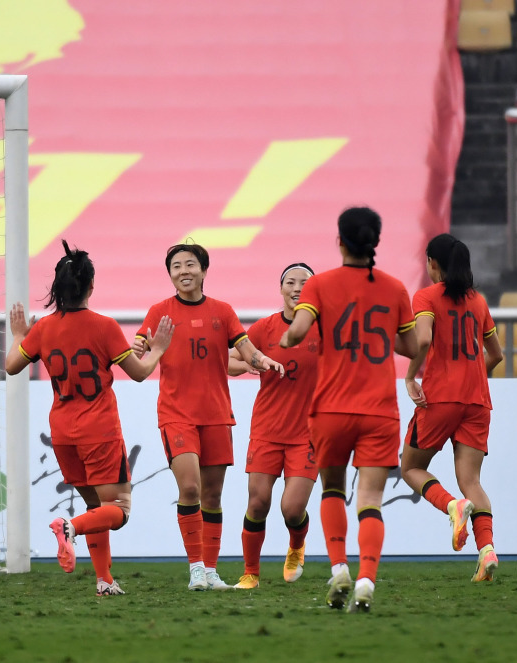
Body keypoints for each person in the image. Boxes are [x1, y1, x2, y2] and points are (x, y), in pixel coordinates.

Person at [5, 240, 174, 596]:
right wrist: (158, 348)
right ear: (91, 286)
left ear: (58, 287)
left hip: (62, 433)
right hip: (99, 430)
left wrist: (20, 335)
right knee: (119, 509)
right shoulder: (104, 326)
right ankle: (69, 528)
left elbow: (11, 366)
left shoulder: (43, 329)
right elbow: (140, 373)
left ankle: (104, 580)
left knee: (95, 506)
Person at [281, 207, 417, 613]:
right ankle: (366, 580)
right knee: (370, 499)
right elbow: (413, 346)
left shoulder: (319, 285)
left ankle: (339, 567)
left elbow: (298, 330)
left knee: (333, 490)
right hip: (379, 410)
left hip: (331, 410)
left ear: (339, 241)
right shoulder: (395, 289)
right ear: (375, 242)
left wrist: (288, 339)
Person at [132, 242, 283, 591]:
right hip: (176, 414)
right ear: (170, 274)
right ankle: (196, 569)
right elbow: (141, 347)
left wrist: (263, 360)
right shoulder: (159, 312)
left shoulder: (223, 311)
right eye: (176, 266)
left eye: (190, 264)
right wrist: (141, 346)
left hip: (216, 414)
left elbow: (246, 349)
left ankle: (212, 572)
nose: (183, 271)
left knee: (213, 497)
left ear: (203, 270)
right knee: (189, 488)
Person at [401, 234, 503, 582]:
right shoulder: (478, 301)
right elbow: (496, 355)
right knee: (472, 481)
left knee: (411, 467)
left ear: (433, 263)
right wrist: (472, 376)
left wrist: (411, 377)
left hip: (440, 398)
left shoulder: (426, 296)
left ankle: (451, 506)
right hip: (477, 401)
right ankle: (487, 551)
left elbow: (424, 338)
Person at [228, 263, 319, 590]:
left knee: (292, 509)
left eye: (304, 283)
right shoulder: (264, 328)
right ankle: (250, 573)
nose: (297, 288)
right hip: (267, 430)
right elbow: (228, 360)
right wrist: (250, 365)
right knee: (258, 503)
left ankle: (296, 546)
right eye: (290, 282)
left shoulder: (326, 330)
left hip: (308, 434)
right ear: (281, 288)